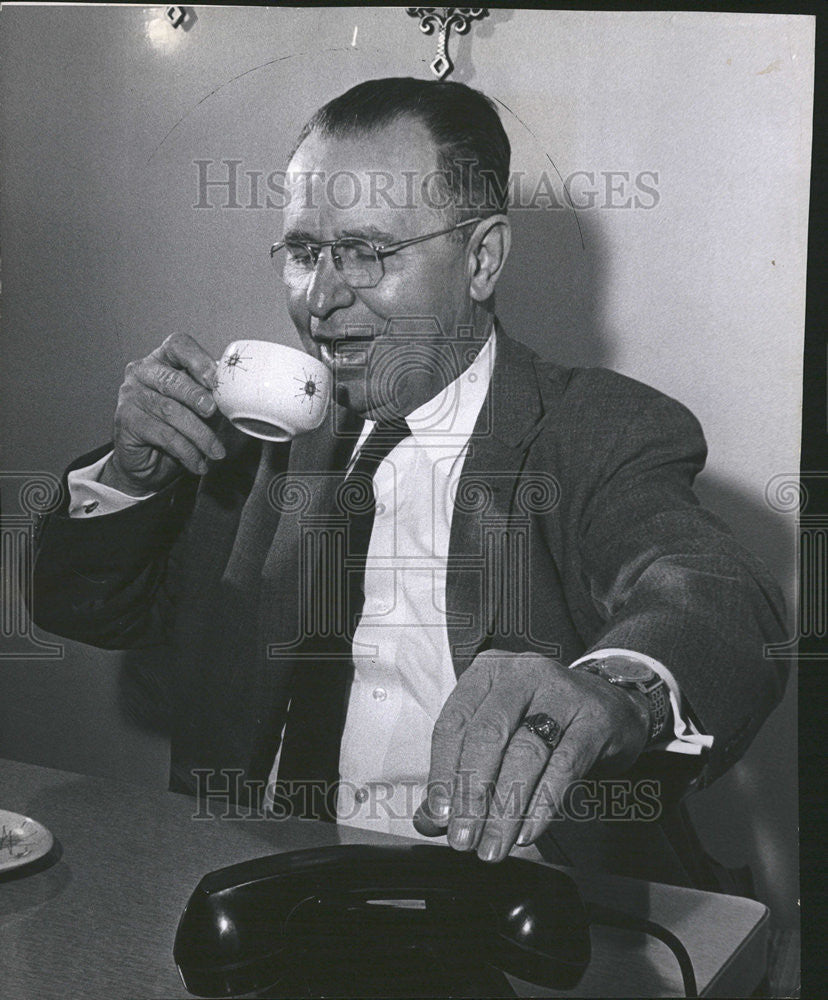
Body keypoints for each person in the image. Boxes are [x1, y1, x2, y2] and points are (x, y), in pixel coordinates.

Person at [31, 77, 787, 883]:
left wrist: (613, 691)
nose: (321, 300)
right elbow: (82, 603)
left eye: (368, 252)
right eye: (304, 252)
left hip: (507, 907)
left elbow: (708, 598)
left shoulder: (597, 431)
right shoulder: (253, 433)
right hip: (251, 887)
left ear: (482, 258)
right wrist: (129, 474)